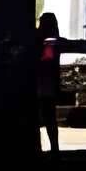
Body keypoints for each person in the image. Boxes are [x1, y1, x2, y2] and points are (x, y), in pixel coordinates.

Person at [33, 14, 63, 156]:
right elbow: (49, 57)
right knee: (50, 118)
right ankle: (54, 148)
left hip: (41, 82)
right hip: (47, 83)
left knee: (45, 116)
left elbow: (46, 57)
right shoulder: (51, 40)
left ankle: (53, 149)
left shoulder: (42, 39)